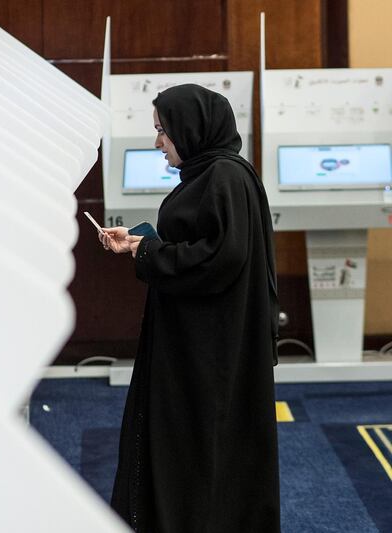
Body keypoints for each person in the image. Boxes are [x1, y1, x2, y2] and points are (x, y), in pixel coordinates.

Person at [100, 84, 281, 533]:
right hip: (201, 341)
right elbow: (209, 248)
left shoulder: (224, 177)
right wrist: (144, 245)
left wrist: (148, 254)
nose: (158, 142)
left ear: (192, 128)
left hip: (208, 351)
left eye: (164, 131)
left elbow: (218, 260)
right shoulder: (216, 174)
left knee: (200, 448)